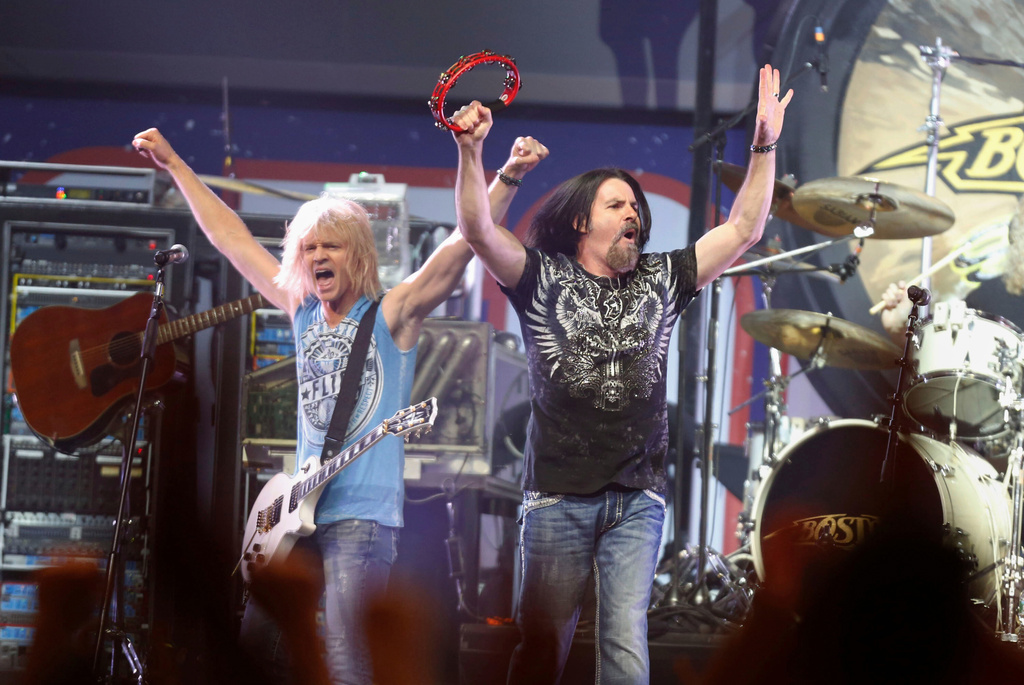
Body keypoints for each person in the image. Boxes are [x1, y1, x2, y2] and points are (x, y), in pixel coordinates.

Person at [131, 127, 548, 684]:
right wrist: (177, 164)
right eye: (309, 247)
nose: (318, 255)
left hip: (364, 517)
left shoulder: (392, 313)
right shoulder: (301, 309)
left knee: (350, 659)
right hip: (296, 514)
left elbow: (458, 250)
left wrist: (509, 174)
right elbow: (232, 239)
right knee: (258, 645)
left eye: (332, 244)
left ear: (359, 253)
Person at [450, 63, 792, 684]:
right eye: (617, 203)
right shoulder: (541, 276)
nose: (633, 211)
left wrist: (764, 142)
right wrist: (472, 151)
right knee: (541, 646)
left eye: (636, 205)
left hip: (637, 498)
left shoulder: (662, 278)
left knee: (625, 639)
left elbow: (744, 229)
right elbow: (476, 229)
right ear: (582, 220)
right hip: (556, 495)